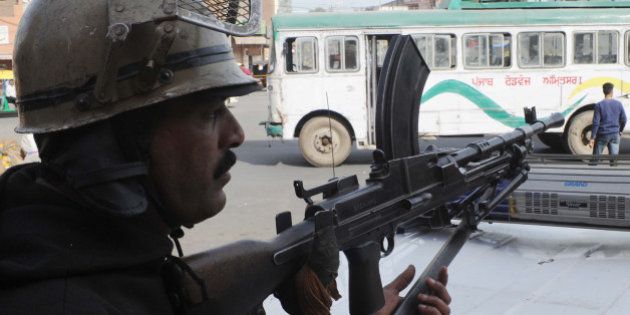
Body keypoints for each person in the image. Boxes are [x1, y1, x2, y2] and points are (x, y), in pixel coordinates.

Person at [0, 1, 451, 314]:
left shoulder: (100, 260)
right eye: (209, 113)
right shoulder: (62, 303)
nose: (236, 134)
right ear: (114, 143)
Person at [589, 82, 627, 165]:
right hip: (615, 134)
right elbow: (624, 119)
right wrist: (620, 130)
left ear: (603, 92)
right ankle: (613, 175)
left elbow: (596, 123)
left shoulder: (599, 105)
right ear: (612, 92)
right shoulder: (618, 104)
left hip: (603, 134)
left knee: (595, 160)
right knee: (614, 161)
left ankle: (592, 172)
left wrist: (592, 138)